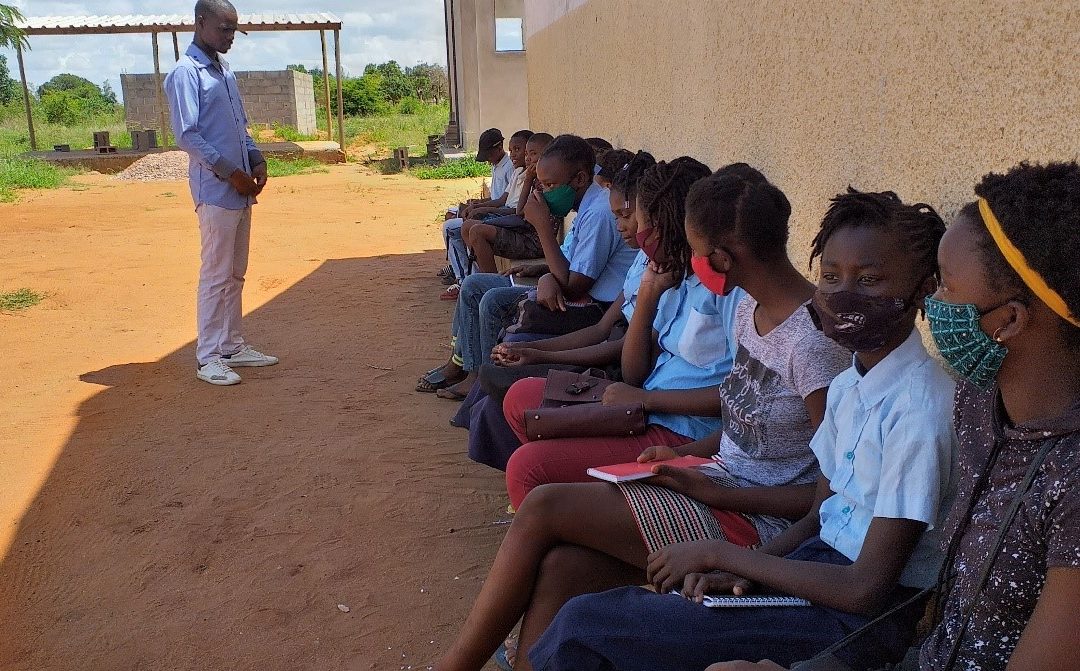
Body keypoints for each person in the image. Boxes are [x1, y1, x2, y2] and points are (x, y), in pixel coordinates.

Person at [432, 165, 851, 671]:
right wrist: (684, 456)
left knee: (544, 506)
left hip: (756, 524)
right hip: (714, 481)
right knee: (564, 565)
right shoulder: (751, 313)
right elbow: (745, 425)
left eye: (696, 252)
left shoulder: (813, 346)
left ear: (721, 258)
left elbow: (824, 497)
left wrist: (716, 492)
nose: (691, 264)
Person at [528, 188, 956, 671]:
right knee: (581, 590)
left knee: (590, 629)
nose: (842, 294)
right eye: (831, 277)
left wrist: (728, 556)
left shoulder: (920, 408)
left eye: (870, 279)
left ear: (920, 289)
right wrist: (742, 570)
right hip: (810, 570)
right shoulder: (851, 385)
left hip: (850, 625)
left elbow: (866, 588)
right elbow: (820, 514)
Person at [417, 135, 637, 399]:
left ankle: (485, 385)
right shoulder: (586, 208)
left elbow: (574, 285)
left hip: (591, 306)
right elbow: (566, 263)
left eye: (550, 185)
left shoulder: (600, 213)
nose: (543, 193)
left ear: (579, 180)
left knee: (492, 300)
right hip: (566, 289)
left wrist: (543, 227)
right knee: (474, 285)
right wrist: (541, 272)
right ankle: (471, 370)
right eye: (541, 185)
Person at [164, 0, 278, 386]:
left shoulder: (224, 71)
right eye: (224, 29)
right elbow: (187, 135)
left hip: (241, 189)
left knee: (235, 273)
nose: (230, 37)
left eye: (234, 30)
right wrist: (231, 173)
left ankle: (231, 345)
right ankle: (208, 357)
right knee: (215, 275)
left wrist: (256, 158)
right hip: (216, 191)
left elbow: (240, 126)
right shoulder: (185, 73)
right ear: (200, 23)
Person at [441, 128, 519, 294]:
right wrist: (477, 203)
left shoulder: (510, 168)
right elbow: (497, 196)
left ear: (499, 149)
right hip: (493, 210)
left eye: (489, 155)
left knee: (450, 228)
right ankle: (465, 272)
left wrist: (479, 208)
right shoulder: (498, 165)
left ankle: (464, 277)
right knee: (452, 216)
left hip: (499, 214)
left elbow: (503, 203)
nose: (488, 160)